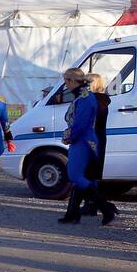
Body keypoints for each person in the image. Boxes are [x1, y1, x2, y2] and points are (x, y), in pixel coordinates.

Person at [57, 68, 116, 225]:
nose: (66, 85)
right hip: (83, 139)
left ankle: (105, 208)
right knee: (79, 176)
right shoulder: (83, 96)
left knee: (75, 175)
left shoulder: (84, 97)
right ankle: (73, 214)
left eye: (66, 81)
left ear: (72, 81)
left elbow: (81, 123)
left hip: (83, 140)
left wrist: (70, 136)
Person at [80, 73, 111, 216]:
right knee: (90, 172)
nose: (84, 85)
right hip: (96, 138)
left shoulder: (96, 101)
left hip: (92, 139)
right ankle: (90, 203)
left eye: (87, 83)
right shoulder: (100, 100)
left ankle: (93, 204)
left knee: (89, 171)